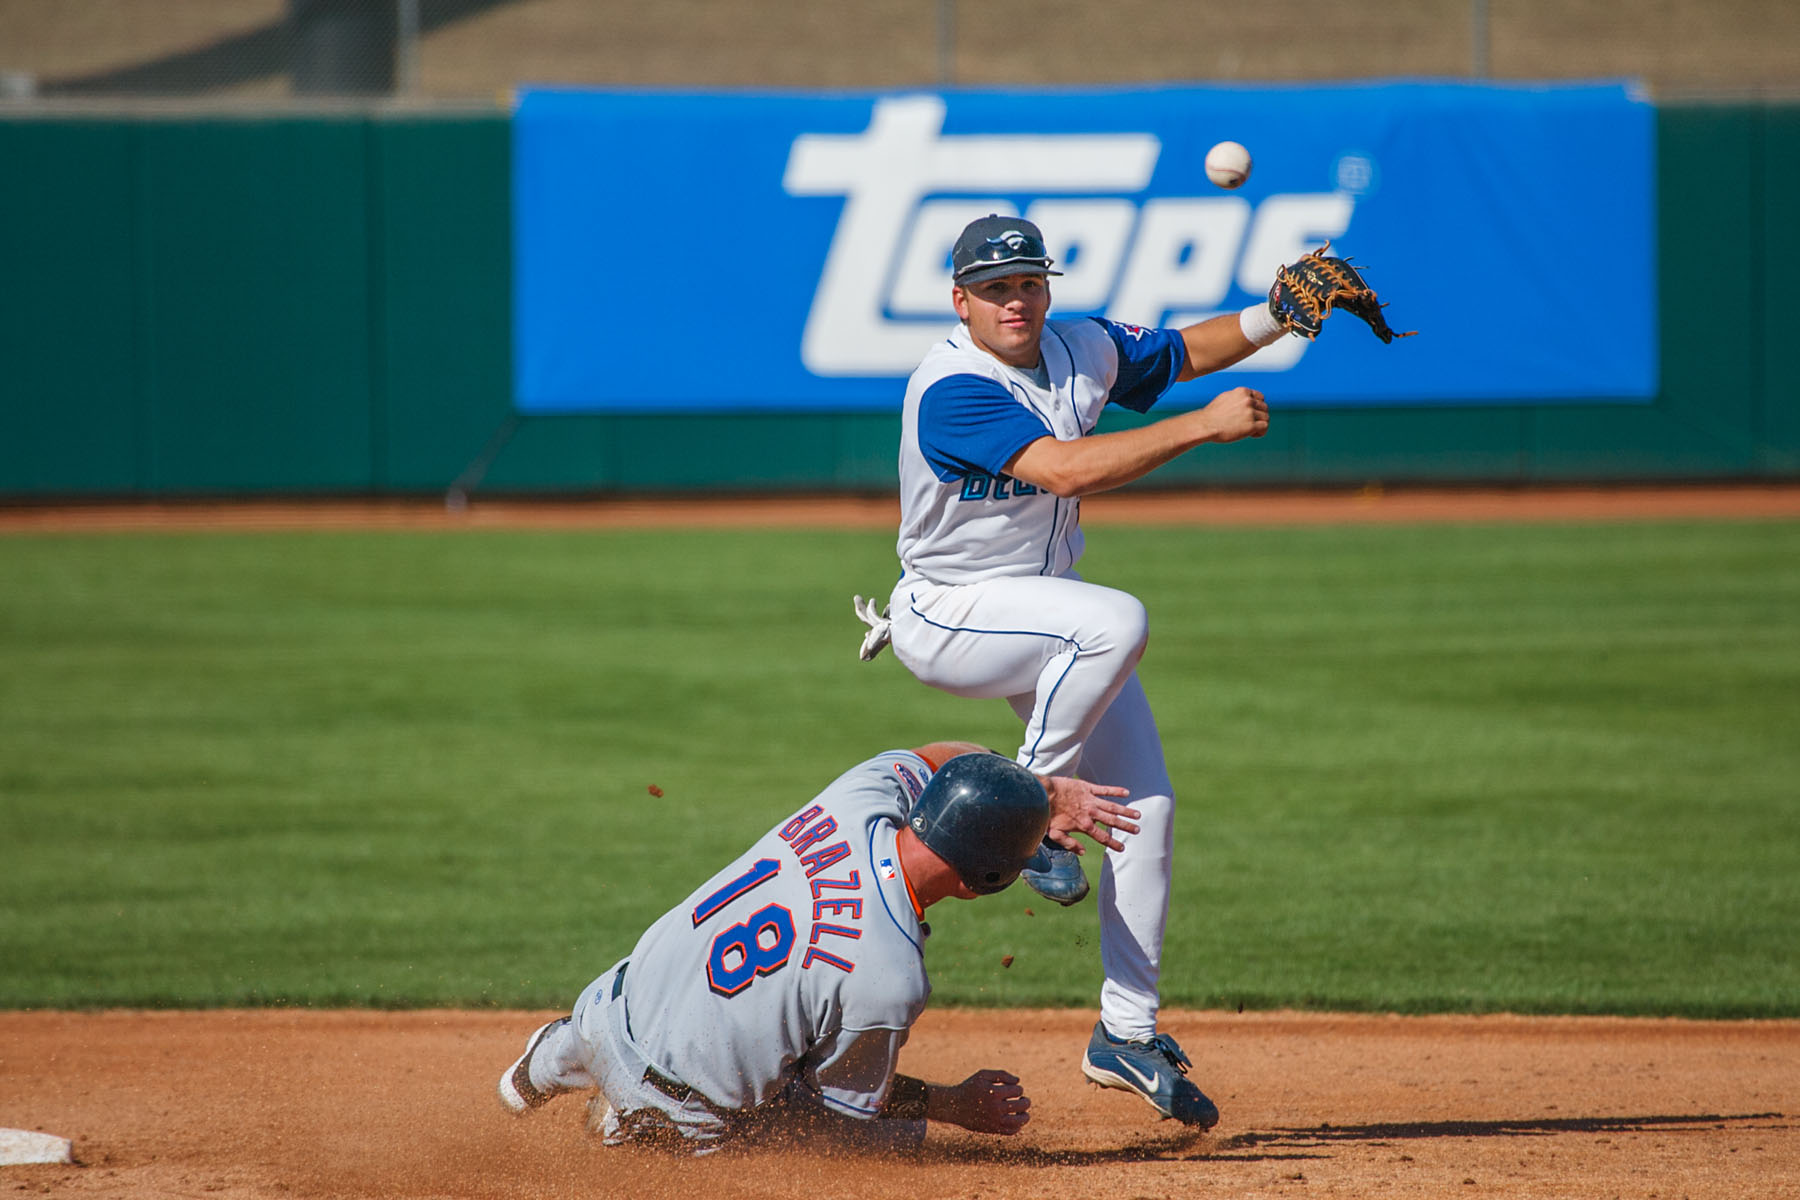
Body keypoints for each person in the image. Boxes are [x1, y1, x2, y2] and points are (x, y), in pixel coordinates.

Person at [852, 214, 1289, 1129]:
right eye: (996, 287)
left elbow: (1177, 351)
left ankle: (1124, 1032)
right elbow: (1064, 470)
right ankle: (1041, 804)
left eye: (1029, 283)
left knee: (1145, 807)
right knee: (1115, 620)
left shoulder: (1077, 344)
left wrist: (1277, 314)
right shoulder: (952, 389)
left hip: (1041, 615)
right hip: (952, 613)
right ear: (961, 299)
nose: (1017, 301)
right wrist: (1201, 431)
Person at [496, 742, 1139, 1154]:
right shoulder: (889, 975)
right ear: (981, 884)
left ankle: (547, 1065)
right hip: (671, 1113)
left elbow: (941, 755)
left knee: (648, 1010)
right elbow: (841, 1114)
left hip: (608, 999)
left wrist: (1044, 793)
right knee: (862, 1142)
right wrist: (954, 1104)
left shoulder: (860, 798)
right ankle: (628, 1124)